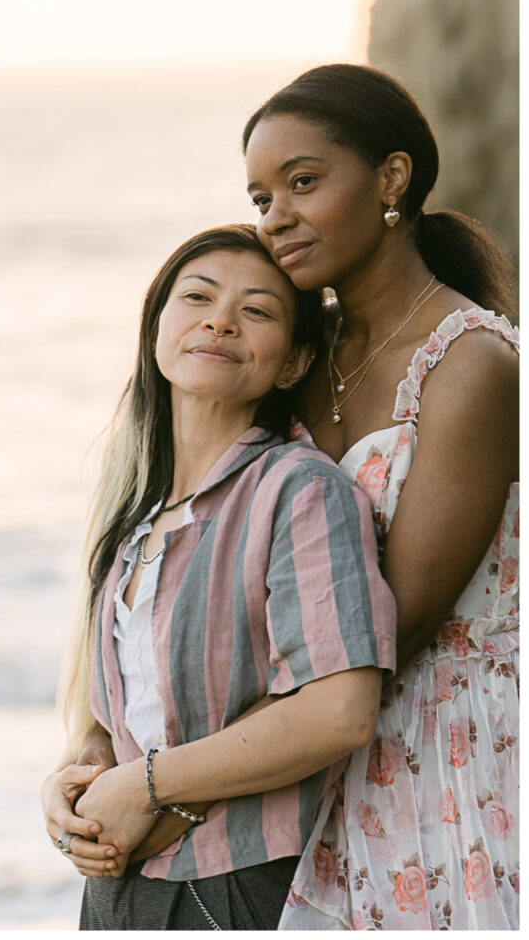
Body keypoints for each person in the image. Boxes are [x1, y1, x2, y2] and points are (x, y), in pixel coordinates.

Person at [41, 224, 397, 930]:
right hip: (119, 889)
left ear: (293, 363)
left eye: (256, 310)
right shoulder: (135, 510)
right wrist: (71, 779)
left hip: (236, 883)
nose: (219, 319)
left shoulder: (298, 491)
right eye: (196, 296)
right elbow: (132, 710)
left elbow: (340, 710)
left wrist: (146, 787)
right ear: (156, 330)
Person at [241, 63, 519, 930]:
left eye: (302, 182)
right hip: (315, 751)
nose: (276, 217)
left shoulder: (471, 364)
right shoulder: (292, 358)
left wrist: (188, 763)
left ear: (391, 178)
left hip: (448, 755)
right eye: (259, 198)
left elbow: (394, 620)